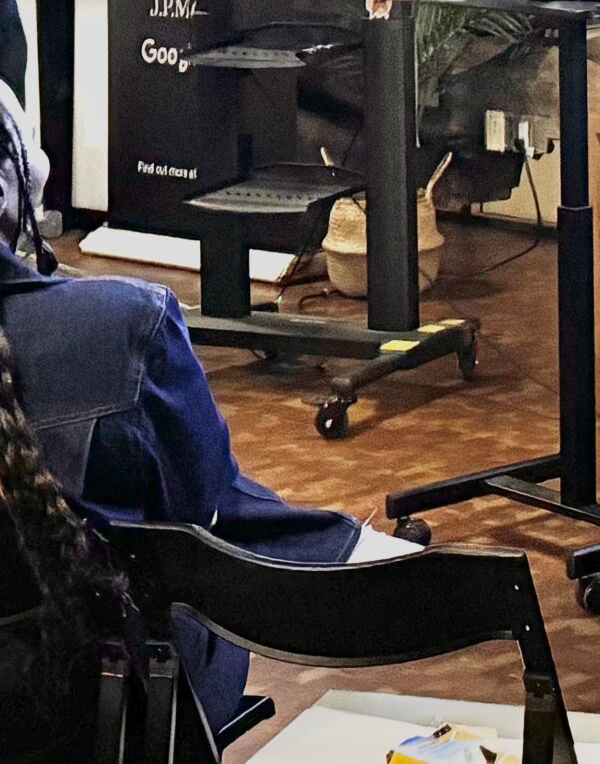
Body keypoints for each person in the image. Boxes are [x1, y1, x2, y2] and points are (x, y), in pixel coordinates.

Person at [0, 82, 408, 753]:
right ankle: (343, 552)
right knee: (209, 526)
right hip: (110, 714)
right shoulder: (124, 325)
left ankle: (333, 547)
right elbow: (202, 515)